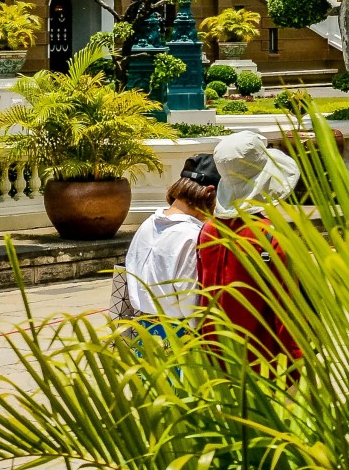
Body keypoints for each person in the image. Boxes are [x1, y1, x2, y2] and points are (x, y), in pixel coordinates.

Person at [199, 132, 302, 360]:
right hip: (261, 366)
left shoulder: (207, 231)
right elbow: (287, 316)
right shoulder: (268, 236)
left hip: (215, 358)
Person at [121, 154, 216, 328]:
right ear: (209, 193)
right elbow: (190, 300)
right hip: (179, 332)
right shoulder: (193, 236)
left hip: (142, 328)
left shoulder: (147, 225)